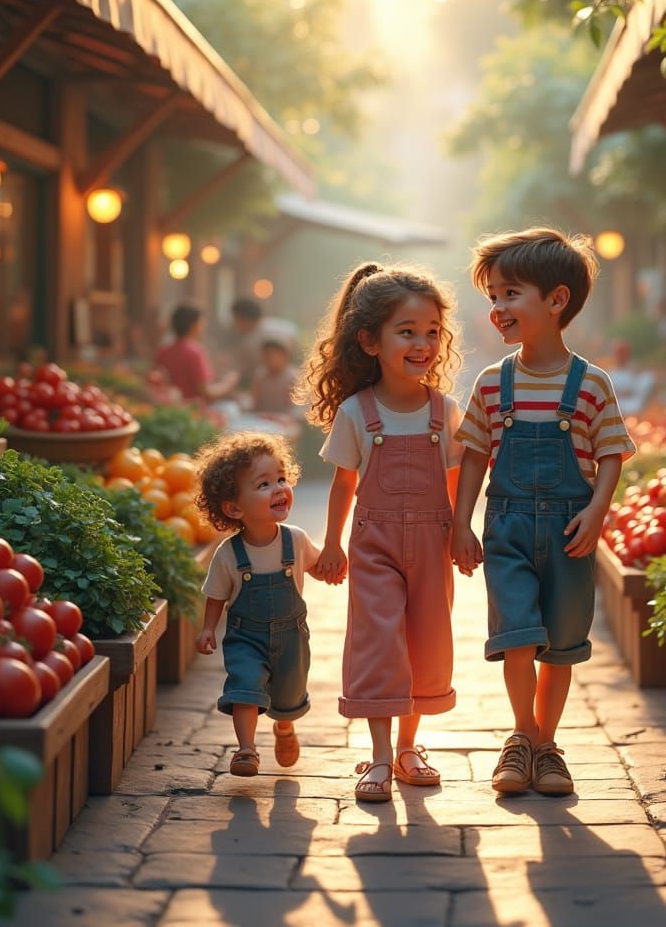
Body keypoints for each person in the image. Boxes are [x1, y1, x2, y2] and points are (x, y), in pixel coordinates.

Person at [450, 228, 635, 797]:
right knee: (517, 636)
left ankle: (548, 745)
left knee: (560, 643)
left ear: (556, 300)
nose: (498, 308)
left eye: (510, 294)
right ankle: (523, 736)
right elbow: (476, 456)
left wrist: (598, 511)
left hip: (570, 531)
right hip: (505, 527)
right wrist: (460, 523)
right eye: (493, 298)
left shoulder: (591, 384)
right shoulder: (490, 383)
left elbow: (610, 453)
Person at [296, 262, 464, 803]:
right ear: (369, 340)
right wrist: (331, 544)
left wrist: (464, 532)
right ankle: (379, 757)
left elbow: (458, 482)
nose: (423, 344)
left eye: (432, 332)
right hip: (374, 546)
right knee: (377, 644)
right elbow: (344, 486)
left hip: (434, 546)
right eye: (407, 331)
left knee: (426, 641)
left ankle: (411, 748)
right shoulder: (355, 412)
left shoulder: (446, 411)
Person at [194, 432, 323, 776]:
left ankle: (284, 727)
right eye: (264, 484)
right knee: (244, 686)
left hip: (291, 638)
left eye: (282, 478)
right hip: (246, 637)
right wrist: (208, 628)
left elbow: (318, 564)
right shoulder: (228, 554)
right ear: (234, 508)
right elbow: (216, 595)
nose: (279, 488)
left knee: (288, 697)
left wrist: (334, 566)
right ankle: (246, 750)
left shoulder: (295, 539)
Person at [155, 303, 238, 402]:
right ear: (193, 325)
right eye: (202, 323)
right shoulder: (194, 352)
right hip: (194, 410)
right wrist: (228, 383)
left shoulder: (163, 351)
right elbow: (207, 392)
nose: (204, 327)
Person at [230, 298, 297, 391]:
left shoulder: (250, 341)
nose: (235, 324)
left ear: (243, 318)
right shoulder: (285, 327)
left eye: (236, 319)